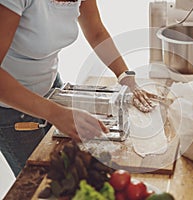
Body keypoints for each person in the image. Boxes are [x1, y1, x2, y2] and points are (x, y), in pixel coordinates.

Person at [0, 0, 156, 177]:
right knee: (38, 182)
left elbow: (96, 31)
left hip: (50, 89)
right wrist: (56, 113)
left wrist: (125, 76)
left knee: (67, 173)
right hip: (11, 109)